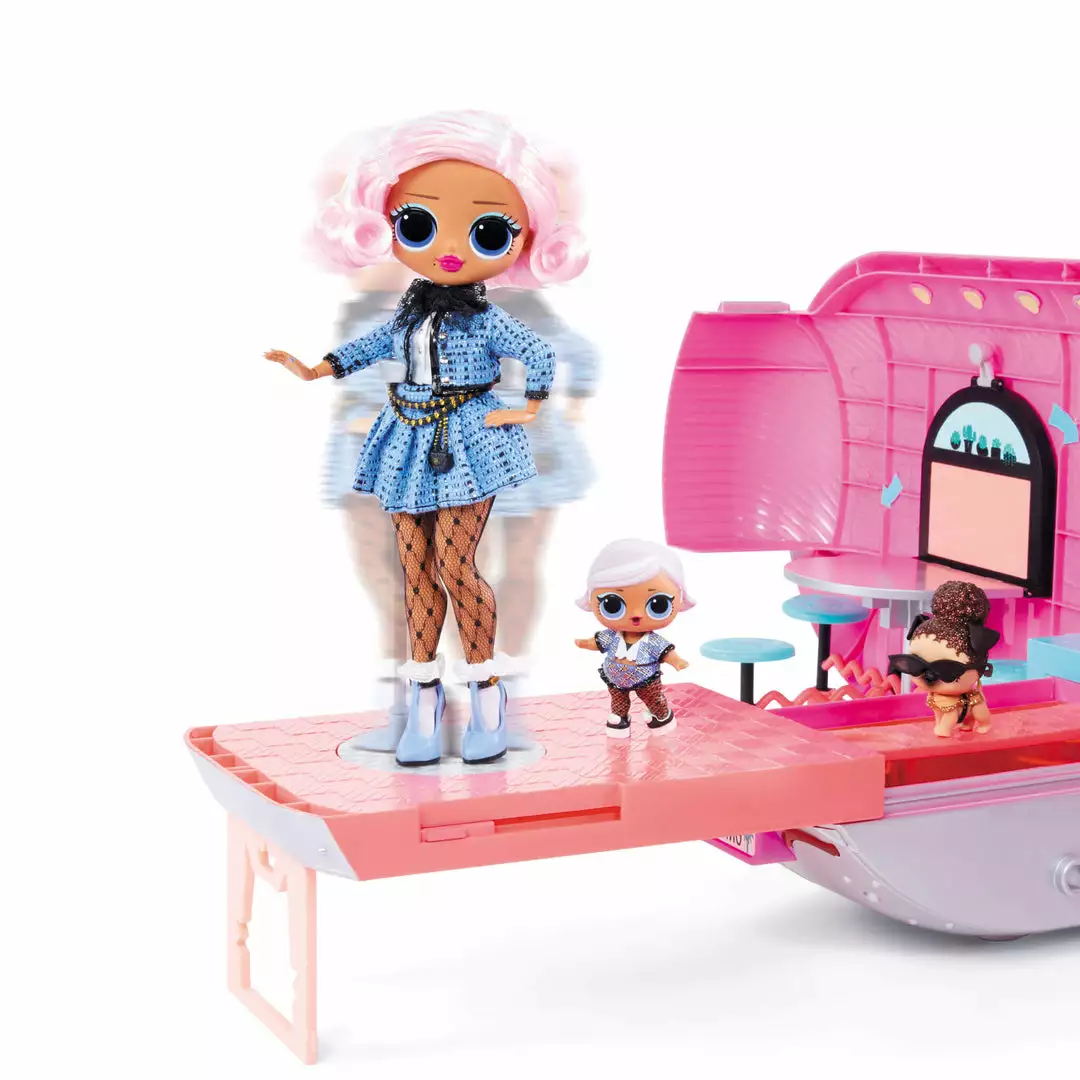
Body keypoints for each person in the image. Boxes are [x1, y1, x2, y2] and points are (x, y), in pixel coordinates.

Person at [266, 111, 588, 766]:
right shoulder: (410, 309)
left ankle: (487, 695)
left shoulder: (486, 318)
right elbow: (373, 345)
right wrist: (317, 369)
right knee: (412, 569)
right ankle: (423, 700)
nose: (448, 248)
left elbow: (538, 352)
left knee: (457, 565)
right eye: (417, 223)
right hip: (406, 434)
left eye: (487, 231)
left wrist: (528, 408)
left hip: (467, 438)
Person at [575, 539, 692, 737]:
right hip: (615, 677)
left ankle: (661, 716)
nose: (636, 614)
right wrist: (585, 643)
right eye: (612, 605)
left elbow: (667, 653)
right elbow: (597, 642)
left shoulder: (653, 641)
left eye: (658, 604)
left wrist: (677, 661)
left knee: (653, 698)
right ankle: (619, 718)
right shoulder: (611, 637)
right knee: (618, 699)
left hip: (646, 678)